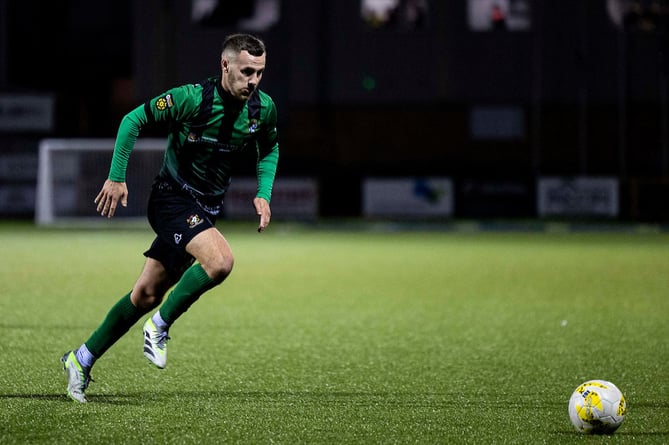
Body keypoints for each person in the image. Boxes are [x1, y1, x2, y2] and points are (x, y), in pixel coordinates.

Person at [61, 33, 279, 403]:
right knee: (221, 261)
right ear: (225, 65)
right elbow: (133, 120)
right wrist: (116, 176)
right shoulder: (191, 99)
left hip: (205, 209)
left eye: (259, 73)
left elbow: (269, 148)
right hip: (171, 200)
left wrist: (264, 192)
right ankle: (160, 326)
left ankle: (80, 360)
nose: (253, 81)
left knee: (145, 294)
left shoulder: (262, 109)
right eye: (246, 72)